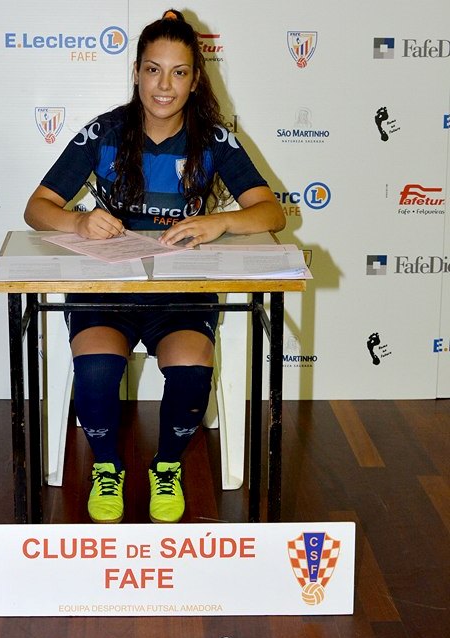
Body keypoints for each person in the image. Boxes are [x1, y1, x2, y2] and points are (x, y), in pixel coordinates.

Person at [24, 9, 285, 524]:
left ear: (195, 79)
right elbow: (36, 208)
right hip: (107, 291)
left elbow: (271, 212)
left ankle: (166, 466)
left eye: (178, 72)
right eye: (153, 70)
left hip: (181, 293)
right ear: (137, 72)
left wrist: (219, 222)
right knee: (97, 370)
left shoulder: (213, 139)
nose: (164, 85)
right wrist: (78, 222)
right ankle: (107, 467)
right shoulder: (104, 133)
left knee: (191, 370)